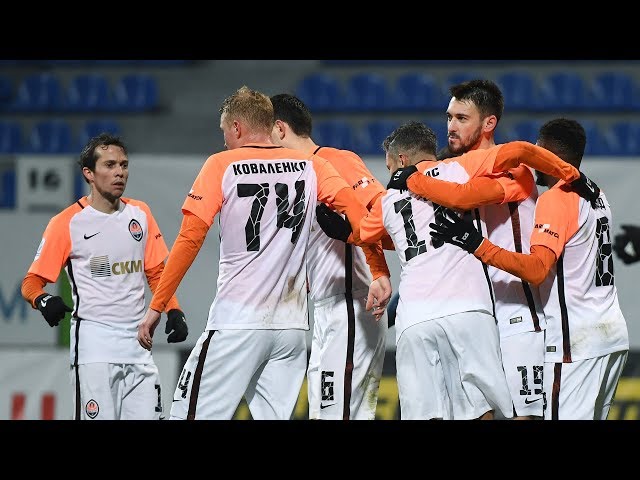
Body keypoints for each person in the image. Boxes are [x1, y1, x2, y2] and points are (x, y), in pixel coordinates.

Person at [136, 86, 385, 420]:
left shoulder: (221, 164)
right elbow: (361, 217)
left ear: (237, 127)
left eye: (225, 132)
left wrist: (157, 305)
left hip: (237, 322)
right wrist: (379, 271)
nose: (225, 140)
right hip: (291, 331)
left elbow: (189, 240)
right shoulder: (313, 166)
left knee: (186, 414)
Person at [388, 79, 599, 420]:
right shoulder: (452, 170)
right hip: (476, 315)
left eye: (461, 118)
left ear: (488, 123)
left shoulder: (513, 171)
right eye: (449, 117)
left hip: (519, 314)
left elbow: (464, 197)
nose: (451, 126)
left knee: (523, 416)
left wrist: (413, 178)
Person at [430, 118, 629, 420]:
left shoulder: (555, 198)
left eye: (537, 148)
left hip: (576, 342)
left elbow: (537, 270)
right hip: (611, 334)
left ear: (546, 153)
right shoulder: (595, 193)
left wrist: (476, 244)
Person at [20, 133, 189, 420]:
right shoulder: (67, 223)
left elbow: (156, 273)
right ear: (89, 173)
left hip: (139, 346)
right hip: (94, 349)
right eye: (110, 165)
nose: (119, 172)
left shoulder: (141, 213)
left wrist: (173, 309)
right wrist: (43, 299)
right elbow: (31, 282)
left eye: (124, 165)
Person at [269, 93, 391, 420]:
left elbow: (385, 216)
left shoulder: (337, 160)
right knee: (329, 414)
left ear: (280, 129)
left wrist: (378, 269)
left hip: (352, 304)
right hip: (325, 309)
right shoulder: (294, 177)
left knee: (338, 413)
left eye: (265, 136)